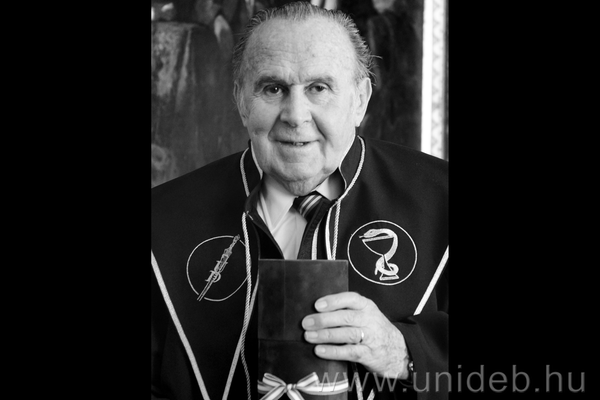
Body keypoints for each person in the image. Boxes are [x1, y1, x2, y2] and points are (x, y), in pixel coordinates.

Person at [151, 2, 448, 400]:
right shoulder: (161, 223)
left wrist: (405, 352)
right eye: (273, 88)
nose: (295, 114)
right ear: (241, 100)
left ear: (360, 99)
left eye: (318, 88)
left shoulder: (442, 200)